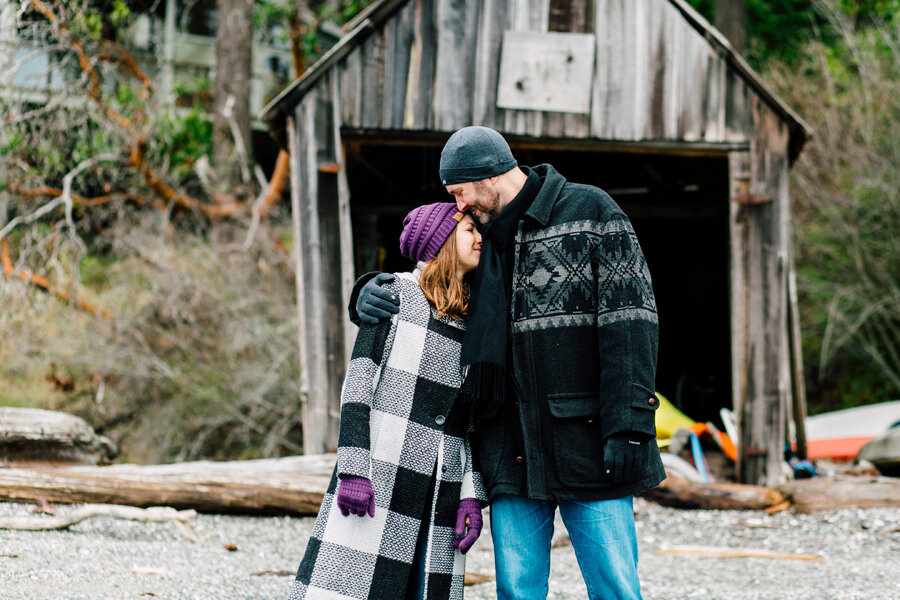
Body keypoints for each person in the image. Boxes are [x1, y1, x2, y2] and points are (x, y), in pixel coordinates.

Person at [351, 126, 665, 600]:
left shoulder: (591, 211)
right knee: (517, 591)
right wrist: (367, 289)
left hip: (589, 441)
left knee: (616, 587)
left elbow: (632, 323)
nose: (458, 206)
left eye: (459, 192)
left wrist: (631, 424)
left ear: (489, 178)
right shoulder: (481, 238)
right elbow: (435, 280)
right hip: (508, 450)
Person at [288, 203, 487, 600]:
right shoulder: (394, 296)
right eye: (468, 229)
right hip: (382, 474)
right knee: (355, 587)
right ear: (441, 241)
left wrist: (471, 494)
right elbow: (358, 387)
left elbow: (472, 423)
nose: (480, 237)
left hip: (440, 486)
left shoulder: (474, 319)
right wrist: (354, 470)